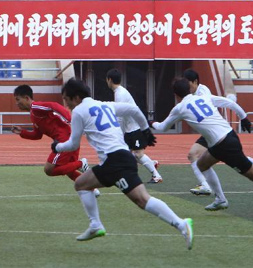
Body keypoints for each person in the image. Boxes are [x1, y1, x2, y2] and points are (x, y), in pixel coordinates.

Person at [54, 78, 193, 248]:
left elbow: (73, 144)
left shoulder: (79, 111)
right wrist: (145, 131)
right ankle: (180, 224)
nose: (66, 104)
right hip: (122, 157)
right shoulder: (106, 105)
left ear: (76, 98)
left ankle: (96, 225)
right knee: (87, 185)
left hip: (115, 161)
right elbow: (133, 109)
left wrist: (57, 146)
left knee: (85, 186)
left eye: (66, 99)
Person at [153, 78, 253, 215]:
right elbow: (228, 103)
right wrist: (244, 117)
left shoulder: (179, 108)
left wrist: (150, 122)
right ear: (189, 89)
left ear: (176, 94)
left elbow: (162, 127)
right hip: (227, 137)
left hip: (224, 145)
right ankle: (220, 199)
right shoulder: (204, 97)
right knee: (202, 164)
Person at [12, 84, 100, 196]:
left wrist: (68, 119)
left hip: (64, 139)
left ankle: (81, 163)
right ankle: (92, 189)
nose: (17, 103)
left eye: (18, 99)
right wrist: (22, 132)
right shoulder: (33, 114)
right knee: (68, 170)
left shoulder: (36, 107)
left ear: (26, 98)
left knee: (49, 169)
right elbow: (37, 135)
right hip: (68, 137)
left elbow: (53, 106)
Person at [182, 69, 253, 195]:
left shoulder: (203, 92)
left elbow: (228, 102)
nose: (186, 86)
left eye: (188, 83)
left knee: (194, 155)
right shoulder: (192, 93)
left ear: (195, 81)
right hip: (210, 131)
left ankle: (207, 186)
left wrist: (243, 117)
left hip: (214, 130)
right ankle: (206, 185)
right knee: (198, 156)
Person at [106, 69, 163, 183]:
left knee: (137, 154)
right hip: (130, 128)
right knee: (126, 154)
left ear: (109, 80)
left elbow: (120, 117)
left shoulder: (120, 93)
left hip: (135, 128)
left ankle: (156, 176)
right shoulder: (119, 92)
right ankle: (151, 164)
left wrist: (119, 134)